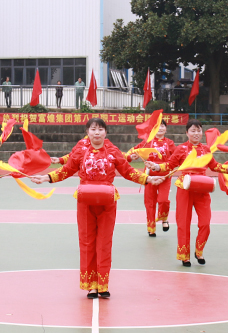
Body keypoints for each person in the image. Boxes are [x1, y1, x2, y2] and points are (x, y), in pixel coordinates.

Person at [31, 118, 162, 297]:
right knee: (87, 242)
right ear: (87, 132)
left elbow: (127, 171)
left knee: (104, 243)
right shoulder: (80, 151)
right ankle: (91, 285)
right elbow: (66, 170)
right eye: (93, 129)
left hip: (107, 202)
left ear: (106, 132)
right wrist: (46, 178)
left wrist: (148, 179)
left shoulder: (113, 151)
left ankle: (103, 285)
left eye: (100, 129)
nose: (97, 132)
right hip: (85, 202)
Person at [145, 119, 228, 265]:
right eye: (193, 131)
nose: (196, 133)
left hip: (202, 188)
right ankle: (185, 256)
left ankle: (199, 251)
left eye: (198, 130)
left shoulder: (206, 150)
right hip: (185, 188)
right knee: (183, 223)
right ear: (187, 133)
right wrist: (156, 167)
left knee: (205, 223)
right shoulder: (181, 149)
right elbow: (170, 165)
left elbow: (215, 166)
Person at [127, 120, 176, 236]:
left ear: (166, 129)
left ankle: (164, 218)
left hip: (165, 176)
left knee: (163, 200)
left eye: (162, 126)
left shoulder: (169, 143)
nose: (160, 128)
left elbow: (176, 157)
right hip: (149, 177)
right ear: (153, 129)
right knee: (150, 202)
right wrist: (131, 156)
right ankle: (151, 228)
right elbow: (133, 151)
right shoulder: (147, 142)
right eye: (157, 126)